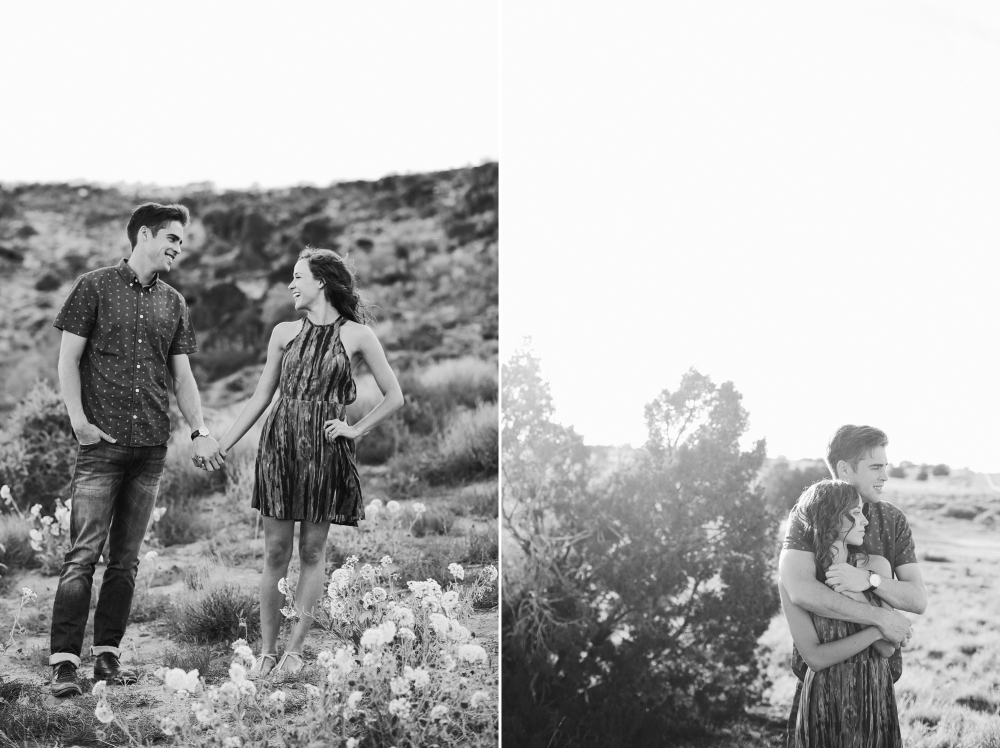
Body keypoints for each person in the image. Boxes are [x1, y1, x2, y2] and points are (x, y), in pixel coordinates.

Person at [49, 203, 225, 697]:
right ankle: (64, 663)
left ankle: (107, 658)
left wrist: (198, 430)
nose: (178, 248)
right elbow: (69, 359)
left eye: (182, 242)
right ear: (144, 234)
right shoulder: (94, 286)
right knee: (82, 555)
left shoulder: (174, 301)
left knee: (125, 561)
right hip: (100, 445)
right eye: (172, 238)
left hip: (150, 447)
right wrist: (79, 422)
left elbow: (183, 376)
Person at [213, 246, 403, 677]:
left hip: (325, 450)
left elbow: (395, 396)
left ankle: (295, 652)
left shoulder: (357, 335)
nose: (290, 285)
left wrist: (355, 429)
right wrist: (224, 444)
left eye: (297, 277)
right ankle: (266, 651)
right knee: (276, 551)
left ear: (320, 281)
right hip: (280, 445)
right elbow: (262, 397)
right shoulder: (283, 333)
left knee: (313, 550)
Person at [779, 425, 927, 746]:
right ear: (845, 469)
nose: (885, 476)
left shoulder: (892, 519)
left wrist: (869, 581)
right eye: (876, 467)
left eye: (885, 467)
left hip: (878, 680)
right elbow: (800, 590)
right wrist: (881, 620)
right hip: (820, 683)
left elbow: (917, 600)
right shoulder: (809, 516)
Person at [779, 480, 903, 747]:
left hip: (875, 691)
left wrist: (857, 594)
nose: (865, 521)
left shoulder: (877, 566)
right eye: (856, 513)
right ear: (832, 516)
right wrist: (877, 624)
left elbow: (887, 649)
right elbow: (815, 658)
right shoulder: (797, 580)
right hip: (824, 698)